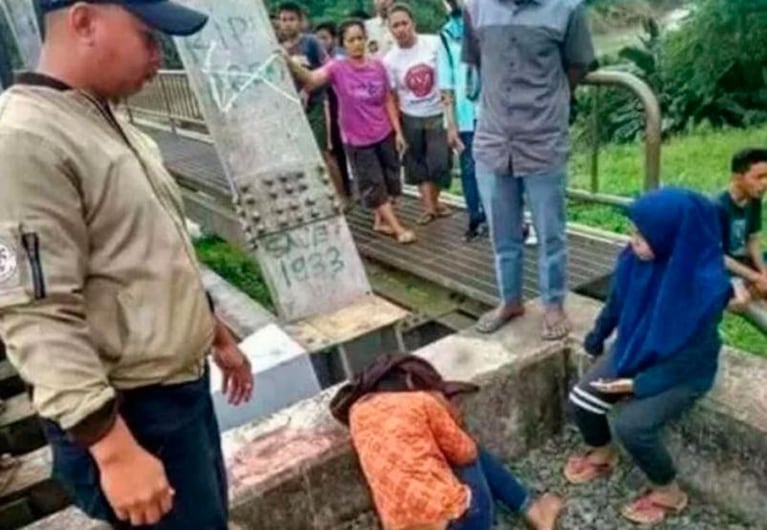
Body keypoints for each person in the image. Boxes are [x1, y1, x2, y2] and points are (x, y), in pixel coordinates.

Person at [0, 1, 255, 528]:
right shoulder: (25, 140)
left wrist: (213, 330)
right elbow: (35, 314)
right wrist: (113, 450)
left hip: (176, 394)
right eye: (147, 36)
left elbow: (147, 253)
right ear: (84, 21)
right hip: (131, 414)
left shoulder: (104, 117)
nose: (159, 56)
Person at [564, 188, 734, 525]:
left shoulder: (706, 288)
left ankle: (669, 491)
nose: (633, 241)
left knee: (633, 424)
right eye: (633, 232)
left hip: (682, 372)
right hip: (636, 347)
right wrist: (597, 336)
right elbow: (616, 303)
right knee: (582, 399)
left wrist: (634, 386)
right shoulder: (635, 259)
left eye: (643, 235)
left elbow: (690, 361)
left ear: (672, 237)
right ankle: (602, 452)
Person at [463, 0, 596, 339]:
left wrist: (549, 101)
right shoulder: (474, 7)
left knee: (550, 230)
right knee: (502, 231)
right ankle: (510, 300)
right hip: (493, 138)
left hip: (542, 136)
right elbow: (477, 59)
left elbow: (578, 65)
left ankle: (553, 303)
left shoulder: (568, 9)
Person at [330, 353, 564, 530]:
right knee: (467, 448)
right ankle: (533, 512)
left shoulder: (357, 413)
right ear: (412, 384)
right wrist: (445, 412)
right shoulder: (421, 401)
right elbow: (466, 453)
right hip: (462, 520)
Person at [286, 19, 416, 244]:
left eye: (359, 38)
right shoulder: (337, 68)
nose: (356, 44)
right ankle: (397, 228)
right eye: (351, 40)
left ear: (366, 39)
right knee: (373, 183)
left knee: (390, 181)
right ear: (343, 43)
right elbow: (311, 79)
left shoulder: (378, 66)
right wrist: (287, 60)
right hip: (358, 140)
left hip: (383, 132)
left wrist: (398, 132)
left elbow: (387, 100)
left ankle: (380, 221)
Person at [385, 3, 452, 225]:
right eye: (395, 25)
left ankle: (433, 202)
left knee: (441, 164)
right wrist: (397, 130)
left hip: (437, 112)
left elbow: (448, 77)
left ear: (413, 23)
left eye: (404, 23)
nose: (401, 29)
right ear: (389, 29)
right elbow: (391, 98)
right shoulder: (389, 60)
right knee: (417, 165)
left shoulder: (433, 43)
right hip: (410, 116)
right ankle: (429, 208)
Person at [278, 2, 348, 205]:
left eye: (291, 19)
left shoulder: (311, 43)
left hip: (316, 104)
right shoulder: (278, 48)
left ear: (300, 22)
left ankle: (341, 195)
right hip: (292, 107)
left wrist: (309, 89)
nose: (287, 24)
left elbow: (328, 69)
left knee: (324, 152)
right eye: (283, 20)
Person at [437, 0, 486, 242]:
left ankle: (496, 216)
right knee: (469, 168)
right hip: (465, 113)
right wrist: (451, 123)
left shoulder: (488, 22)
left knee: (495, 167)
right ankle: (475, 217)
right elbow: (445, 82)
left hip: (492, 110)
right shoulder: (447, 35)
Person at [715, 148, 767, 331]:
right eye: (759, 177)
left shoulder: (754, 200)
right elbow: (718, 256)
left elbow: (752, 239)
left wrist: (763, 272)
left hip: (743, 260)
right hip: (724, 268)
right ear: (737, 177)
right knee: (742, 298)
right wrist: (754, 277)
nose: (765, 183)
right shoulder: (717, 206)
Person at [315, 21, 353, 199]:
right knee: (335, 150)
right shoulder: (321, 62)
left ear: (334, 39)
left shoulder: (340, 59)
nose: (321, 42)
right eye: (319, 39)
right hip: (329, 109)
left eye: (325, 38)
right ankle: (344, 189)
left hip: (344, 109)